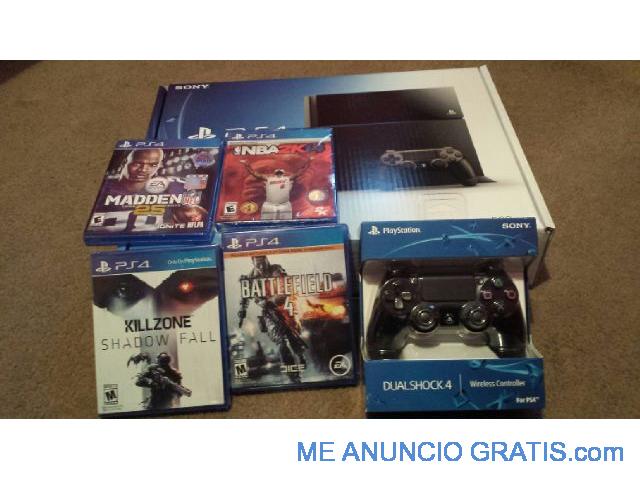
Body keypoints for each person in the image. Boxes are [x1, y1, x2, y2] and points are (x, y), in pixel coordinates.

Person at [240, 157, 311, 220]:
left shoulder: (288, 178)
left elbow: (301, 172)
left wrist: (309, 161)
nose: (250, 180)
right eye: (264, 172)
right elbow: (253, 173)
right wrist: (246, 164)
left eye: (268, 171)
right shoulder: (268, 179)